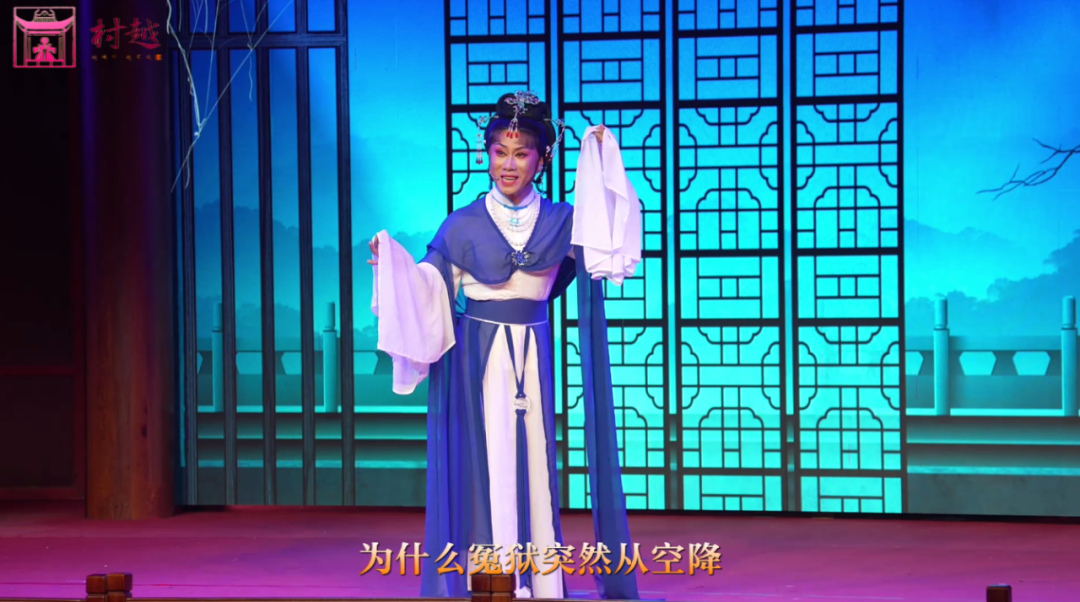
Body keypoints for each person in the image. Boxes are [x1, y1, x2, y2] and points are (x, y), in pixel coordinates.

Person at [369, 91, 641, 600]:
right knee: (485, 468)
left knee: (536, 466)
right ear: (486, 156)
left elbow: (609, 232)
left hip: (534, 355)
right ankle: (493, 584)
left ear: (542, 159)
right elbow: (430, 286)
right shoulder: (463, 224)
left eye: (521, 153)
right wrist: (393, 267)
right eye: (500, 152)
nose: (509, 165)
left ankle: (543, 583)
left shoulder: (562, 222)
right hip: (475, 360)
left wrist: (601, 159)